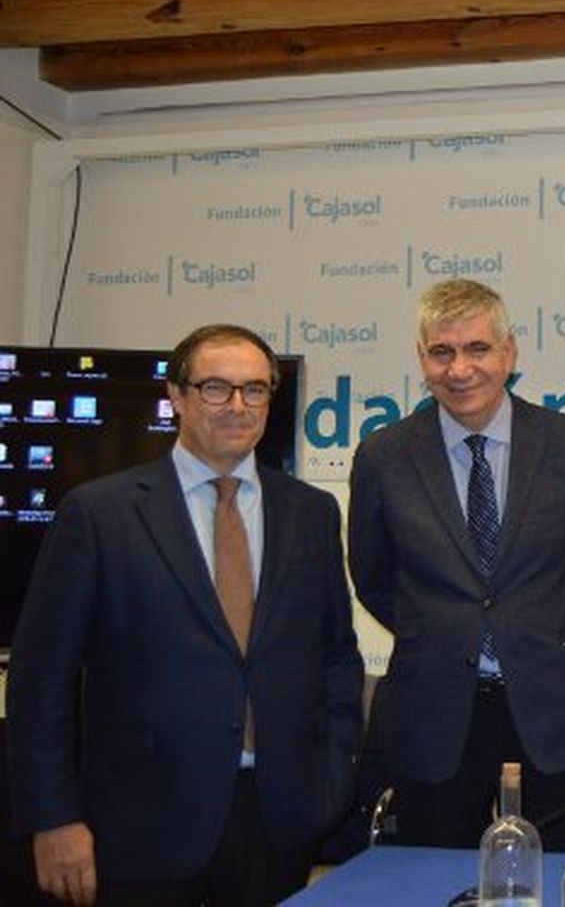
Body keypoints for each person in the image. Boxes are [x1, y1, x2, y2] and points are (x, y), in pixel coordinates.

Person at [6, 324, 363, 906]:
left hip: (278, 821)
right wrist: (53, 817)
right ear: (176, 396)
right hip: (140, 826)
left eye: (255, 389)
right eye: (217, 388)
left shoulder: (311, 512)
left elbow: (336, 656)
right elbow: (40, 677)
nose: (239, 406)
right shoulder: (99, 515)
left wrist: (330, 781)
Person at [347, 278, 565, 852]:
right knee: (435, 882)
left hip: (552, 707)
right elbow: (372, 576)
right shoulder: (384, 457)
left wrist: (526, 629)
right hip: (435, 711)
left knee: (562, 877)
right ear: (422, 359)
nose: (460, 369)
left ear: (509, 352)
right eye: (442, 352)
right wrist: (447, 630)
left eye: (477, 349)